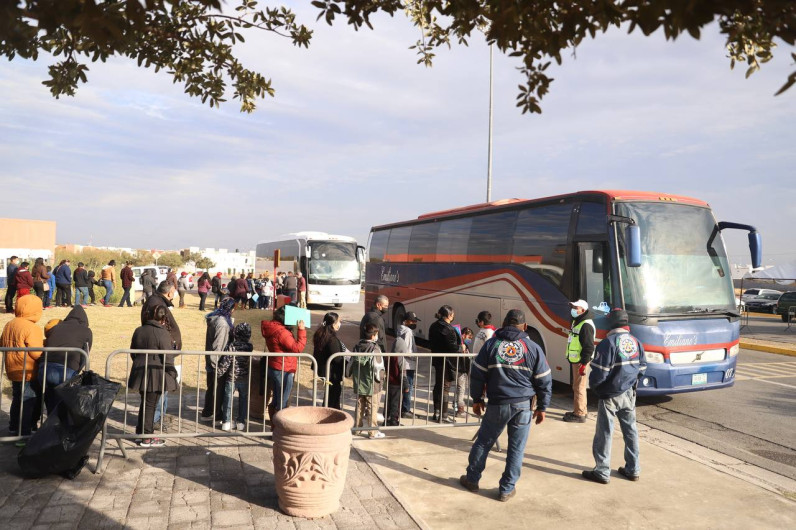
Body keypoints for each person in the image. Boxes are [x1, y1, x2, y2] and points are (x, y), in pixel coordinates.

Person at [460, 309, 552, 502]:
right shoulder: (533, 348)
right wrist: (542, 407)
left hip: (497, 404)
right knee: (516, 449)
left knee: (484, 442)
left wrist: (477, 399)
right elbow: (544, 380)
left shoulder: (491, 345)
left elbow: (477, 375)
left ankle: (472, 480)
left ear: (503, 323)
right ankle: (506, 489)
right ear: (524, 326)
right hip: (523, 406)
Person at [582, 308, 647, 484]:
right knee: (631, 431)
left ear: (611, 323)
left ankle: (602, 471)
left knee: (604, 433)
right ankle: (633, 469)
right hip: (629, 393)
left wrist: (596, 388)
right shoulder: (636, 342)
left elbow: (599, 373)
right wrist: (631, 383)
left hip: (609, 394)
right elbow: (642, 368)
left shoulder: (608, 343)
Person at [128, 304, 179, 447]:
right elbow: (167, 356)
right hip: (154, 372)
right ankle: (147, 437)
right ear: (163, 318)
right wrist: (172, 372)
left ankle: (141, 433)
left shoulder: (139, 330)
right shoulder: (162, 333)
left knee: (145, 403)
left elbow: (133, 352)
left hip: (140, 370)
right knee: (150, 405)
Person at [1, 294, 44, 442]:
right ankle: (24, 433)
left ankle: (13, 427)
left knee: (17, 399)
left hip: (12, 369)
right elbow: (36, 352)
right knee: (28, 402)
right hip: (27, 371)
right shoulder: (32, 328)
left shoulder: (9, 324)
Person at [37, 305, 92, 414]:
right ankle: (61, 423)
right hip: (66, 369)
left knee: (51, 402)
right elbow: (85, 353)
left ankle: (52, 421)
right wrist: (77, 370)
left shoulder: (56, 327)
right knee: (65, 404)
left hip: (45, 368)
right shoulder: (86, 331)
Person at [261, 305, 307, 419]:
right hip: (284, 368)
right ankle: (279, 424)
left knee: (276, 398)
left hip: (275, 365)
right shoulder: (282, 332)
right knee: (283, 400)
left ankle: (274, 423)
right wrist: (301, 330)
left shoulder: (273, 327)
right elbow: (297, 348)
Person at [200, 297, 235, 422]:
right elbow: (218, 346)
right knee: (217, 390)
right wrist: (217, 366)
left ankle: (208, 412)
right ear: (231, 309)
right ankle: (215, 414)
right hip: (217, 362)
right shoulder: (222, 323)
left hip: (214, 360)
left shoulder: (216, 318)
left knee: (212, 388)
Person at [349, 323, 385, 439]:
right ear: (373, 335)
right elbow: (378, 367)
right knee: (372, 407)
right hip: (372, 383)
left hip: (359, 382)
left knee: (359, 406)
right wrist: (381, 381)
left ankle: (357, 429)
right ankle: (372, 432)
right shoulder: (375, 348)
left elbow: (350, 364)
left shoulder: (357, 346)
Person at [428, 305, 463, 422]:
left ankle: (437, 412)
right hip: (448, 362)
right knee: (445, 387)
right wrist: (461, 347)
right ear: (449, 315)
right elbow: (453, 347)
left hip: (437, 360)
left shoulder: (433, 326)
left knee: (438, 385)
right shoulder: (448, 329)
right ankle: (444, 416)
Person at [217, 322, 253, 431]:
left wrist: (219, 372)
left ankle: (226, 421)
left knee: (228, 399)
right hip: (244, 377)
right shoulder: (249, 347)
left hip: (231, 377)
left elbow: (226, 362)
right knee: (243, 400)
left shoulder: (232, 346)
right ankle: (241, 422)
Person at [564, 299, 596, 423]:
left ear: (582, 310)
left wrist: (583, 363)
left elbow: (589, 347)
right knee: (577, 386)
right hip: (577, 360)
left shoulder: (586, 325)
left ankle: (579, 414)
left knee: (579, 387)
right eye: (572, 307)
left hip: (581, 361)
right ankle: (581, 410)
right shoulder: (578, 321)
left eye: (575, 308)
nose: (573, 309)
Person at [390, 311, 421, 420]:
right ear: (407, 321)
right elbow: (407, 349)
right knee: (408, 387)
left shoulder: (400, 330)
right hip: (408, 363)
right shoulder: (408, 331)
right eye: (413, 321)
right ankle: (406, 409)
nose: (415, 323)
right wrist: (414, 357)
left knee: (404, 386)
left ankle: (402, 408)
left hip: (402, 362)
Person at [313, 312, 346, 410]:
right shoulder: (332, 339)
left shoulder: (321, 334)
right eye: (339, 321)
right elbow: (337, 358)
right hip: (332, 373)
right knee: (332, 399)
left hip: (326, 371)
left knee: (330, 398)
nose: (340, 324)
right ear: (333, 324)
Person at [140, 281, 183, 350]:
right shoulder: (157, 304)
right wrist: (171, 343)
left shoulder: (156, 300)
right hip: (161, 347)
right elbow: (159, 326)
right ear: (169, 293)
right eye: (173, 292)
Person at [453, 327, 475, 418]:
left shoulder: (464, 345)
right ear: (464, 335)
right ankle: (460, 410)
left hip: (464, 370)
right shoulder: (460, 345)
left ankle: (456, 406)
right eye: (469, 337)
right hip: (460, 369)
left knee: (460, 389)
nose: (470, 340)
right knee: (461, 389)